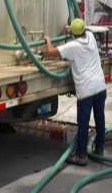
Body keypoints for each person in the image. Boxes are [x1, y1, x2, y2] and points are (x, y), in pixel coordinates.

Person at [44, 18, 106, 166]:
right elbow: (81, 31)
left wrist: (47, 40)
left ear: (73, 33)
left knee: (83, 123)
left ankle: (81, 155)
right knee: (100, 119)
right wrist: (71, 29)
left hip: (86, 90)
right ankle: (99, 150)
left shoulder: (72, 46)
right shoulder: (90, 37)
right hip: (100, 86)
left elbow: (50, 52)